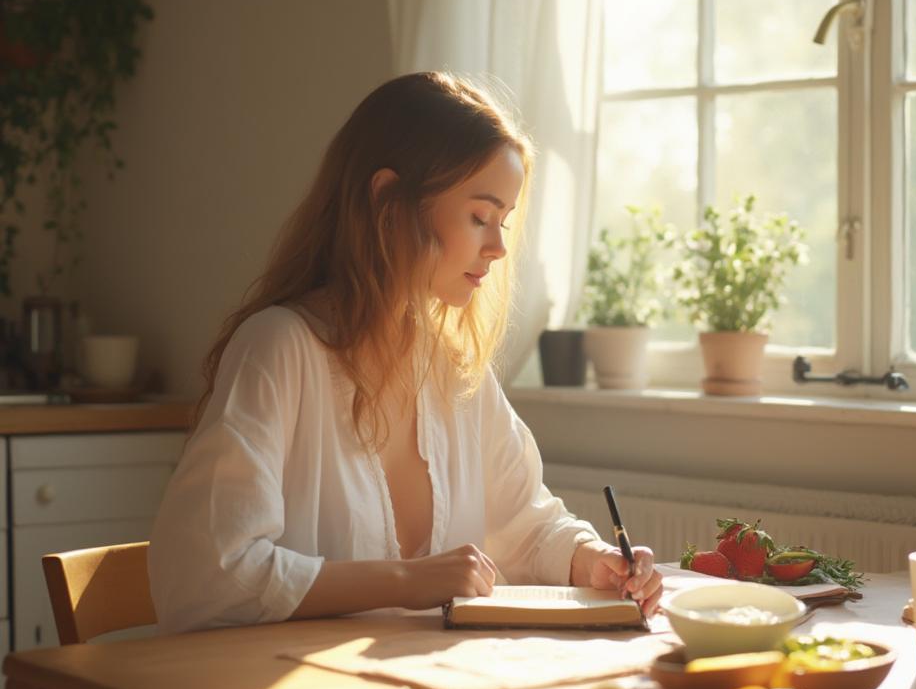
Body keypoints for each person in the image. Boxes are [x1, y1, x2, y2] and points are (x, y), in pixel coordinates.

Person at [148, 72, 663, 633]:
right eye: (479, 217)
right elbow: (209, 573)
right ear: (389, 200)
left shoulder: (454, 369)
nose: (496, 248)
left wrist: (593, 561)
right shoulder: (279, 348)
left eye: (504, 223)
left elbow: (528, 523)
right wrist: (409, 580)